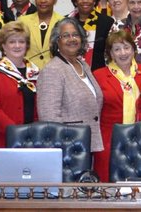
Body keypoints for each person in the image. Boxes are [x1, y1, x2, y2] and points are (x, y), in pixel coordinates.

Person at [37, 18, 106, 164]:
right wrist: (65, 146)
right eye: (66, 36)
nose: (72, 39)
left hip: (88, 143)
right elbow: (49, 117)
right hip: (67, 148)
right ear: (57, 41)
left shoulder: (83, 65)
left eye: (75, 35)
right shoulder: (52, 70)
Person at [92, 30, 141, 182]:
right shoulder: (98, 75)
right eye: (117, 49)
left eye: (126, 47)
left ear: (134, 49)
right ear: (110, 53)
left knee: (139, 184)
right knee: (107, 185)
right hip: (108, 140)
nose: (123, 53)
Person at [0, 22, 39, 165]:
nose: (17, 46)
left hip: (31, 143)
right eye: (12, 42)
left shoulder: (35, 72)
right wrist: (15, 131)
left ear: (27, 45)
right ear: (3, 46)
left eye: (21, 41)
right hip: (2, 141)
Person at [66, 0, 115, 70]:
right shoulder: (65, 22)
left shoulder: (107, 22)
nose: (85, 0)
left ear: (95, 0)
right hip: (69, 73)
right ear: (75, 1)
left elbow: (111, 53)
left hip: (98, 74)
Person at [17, 0, 64, 69]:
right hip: (28, 72)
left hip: (55, 72)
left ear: (55, 0)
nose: (43, 0)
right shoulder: (22, 22)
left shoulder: (63, 23)